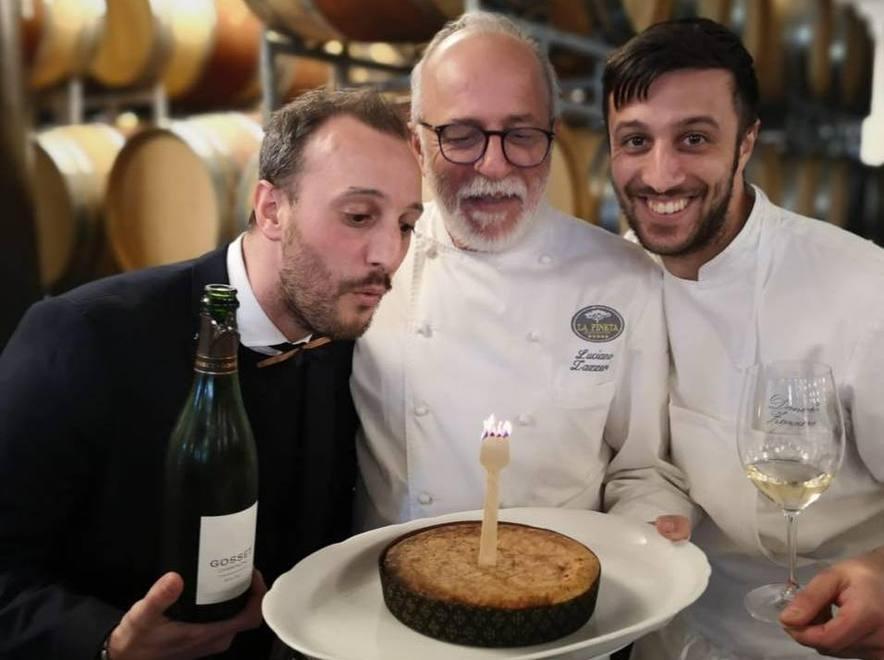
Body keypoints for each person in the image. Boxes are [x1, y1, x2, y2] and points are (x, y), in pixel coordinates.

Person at [0, 87, 422, 659]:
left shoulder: (356, 344)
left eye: (406, 224)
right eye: (358, 216)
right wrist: (107, 643)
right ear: (271, 209)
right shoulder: (84, 337)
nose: (387, 255)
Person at [351, 10, 694, 541]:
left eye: (522, 134)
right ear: (417, 145)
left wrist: (645, 531)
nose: (493, 166)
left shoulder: (624, 281)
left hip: (563, 581)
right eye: (461, 135)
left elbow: (642, 469)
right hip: (392, 577)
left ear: (552, 138)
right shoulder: (369, 265)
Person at [602, 18, 884, 660]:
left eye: (694, 139)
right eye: (635, 141)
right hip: (666, 632)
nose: (661, 174)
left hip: (825, 637)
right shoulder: (618, 279)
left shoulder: (864, 290)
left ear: (746, 142)